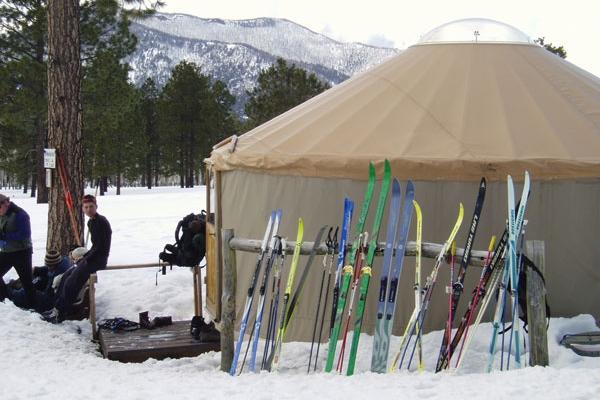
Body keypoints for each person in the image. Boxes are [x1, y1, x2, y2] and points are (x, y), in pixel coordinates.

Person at [42, 195, 111, 323]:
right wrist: (84, 257)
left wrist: (86, 258)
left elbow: (101, 247)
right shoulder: (91, 222)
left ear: (96, 207)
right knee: (66, 276)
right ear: (83, 209)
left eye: (91, 207)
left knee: (71, 282)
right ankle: (56, 308)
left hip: (99, 259)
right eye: (86, 207)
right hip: (92, 257)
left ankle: (61, 313)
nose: (89, 209)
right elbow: (95, 247)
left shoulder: (101, 222)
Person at [7, 248, 72, 312]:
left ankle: (11, 293)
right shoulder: (60, 264)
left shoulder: (58, 277)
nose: (48, 267)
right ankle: (17, 286)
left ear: (54, 265)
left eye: (49, 266)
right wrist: (36, 270)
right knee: (36, 277)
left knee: (26, 293)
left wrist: (36, 293)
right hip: (49, 290)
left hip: (50, 301)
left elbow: (49, 296)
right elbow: (47, 269)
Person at [0, 193, 35, 307]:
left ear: (6, 203)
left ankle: (32, 306)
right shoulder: (2, 214)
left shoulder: (20, 214)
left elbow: (25, 234)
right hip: (6, 252)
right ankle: (4, 299)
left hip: (22, 253)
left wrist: (5, 236)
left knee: (27, 282)